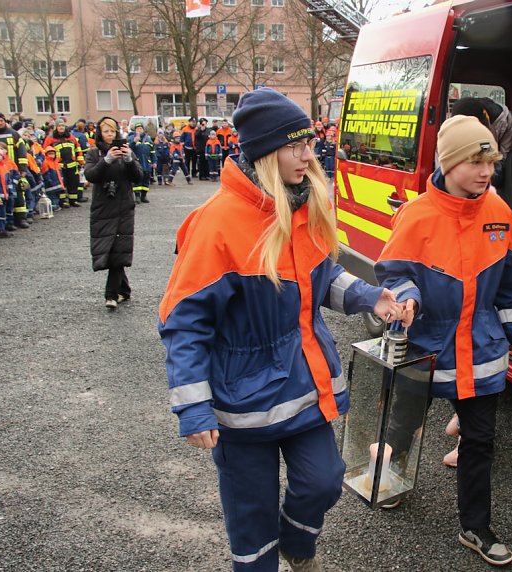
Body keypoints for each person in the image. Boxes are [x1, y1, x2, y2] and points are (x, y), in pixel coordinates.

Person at [158, 88, 404, 572]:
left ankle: (296, 542)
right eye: (297, 146)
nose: (310, 156)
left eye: (310, 143)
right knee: (250, 522)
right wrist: (193, 408)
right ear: (267, 152)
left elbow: (322, 276)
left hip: (304, 384)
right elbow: (183, 321)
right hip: (241, 407)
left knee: (325, 481)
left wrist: (371, 295)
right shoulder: (217, 224)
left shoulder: (301, 204)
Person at [375, 115, 512, 567]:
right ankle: (392, 479)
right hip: (425, 345)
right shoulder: (416, 214)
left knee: (480, 442)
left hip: (480, 351)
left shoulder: (500, 214)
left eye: (491, 162)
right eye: (475, 162)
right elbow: (394, 274)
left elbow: (510, 284)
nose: (485, 172)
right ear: (449, 162)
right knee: (403, 424)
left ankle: (475, 527)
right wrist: (409, 300)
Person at [84, 117, 143, 310]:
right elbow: (91, 175)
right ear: (99, 133)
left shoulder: (127, 151)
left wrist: (128, 160)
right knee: (110, 248)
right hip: (103, 206)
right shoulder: (94, 153)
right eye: (106, 131)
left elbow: (139, 176)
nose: (109, 135)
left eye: (112, 131)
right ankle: (123, 290)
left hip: (124, 206)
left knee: (118, 247)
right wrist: (106, 160)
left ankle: (111, 294)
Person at [129, 124, 154, 203]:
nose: (139, 130)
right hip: (137, 162)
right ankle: (137, 196)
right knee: (137, 179)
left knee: (146, 179)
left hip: (147, 163)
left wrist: (154, 162)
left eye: (140, 128)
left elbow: (153, 152)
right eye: (137, 129)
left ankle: (144, 196)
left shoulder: (148, 139)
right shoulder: (131, 138)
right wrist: (134, 142)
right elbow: (128, 150)